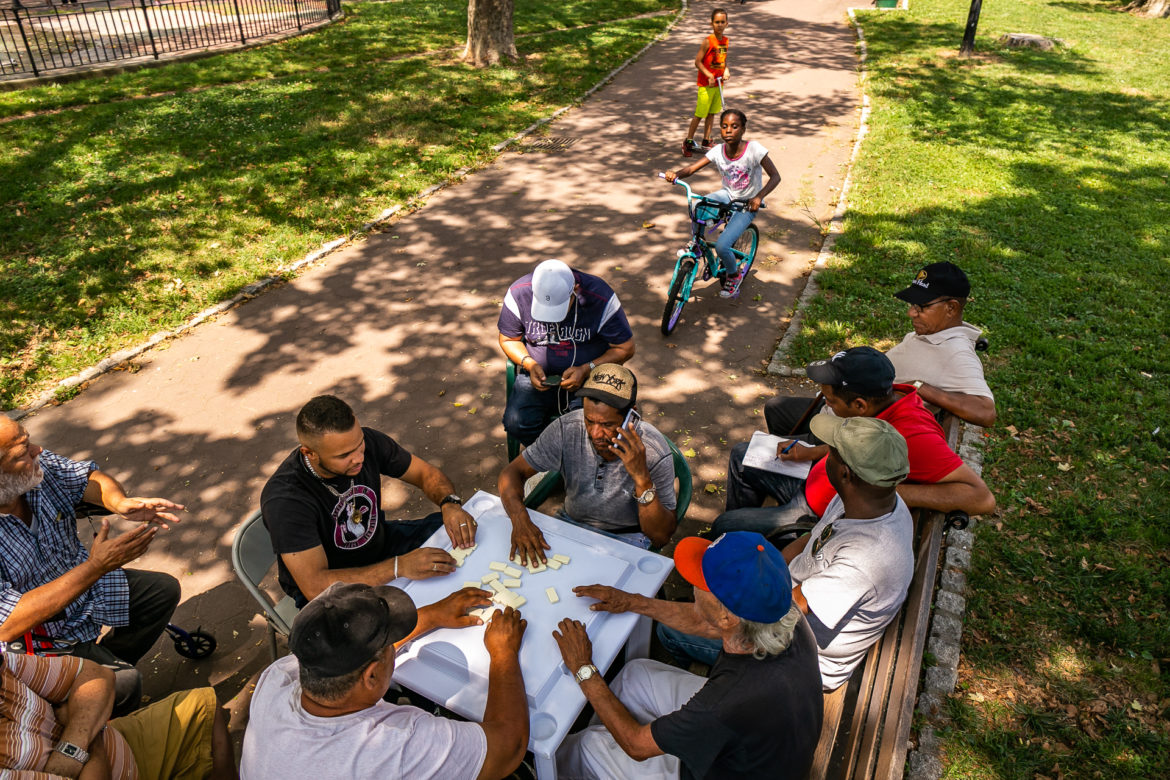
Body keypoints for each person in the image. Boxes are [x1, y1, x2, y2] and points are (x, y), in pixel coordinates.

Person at [660, 416, 916, 691]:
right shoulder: (867, 500)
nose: (824, 455)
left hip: (800, 655)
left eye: (832, 452)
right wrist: (764, 570)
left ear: (845, 473)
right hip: (787, 605)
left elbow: (787, 614)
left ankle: (719, 693)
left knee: (670, 630)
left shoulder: (865, 560)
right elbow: (811, 539)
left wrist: (726, 604)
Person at [553, 531, 822, 779]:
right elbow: (704, 621)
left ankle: (555, 768)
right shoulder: (774, 608)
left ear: (726, 617)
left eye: (701, 581)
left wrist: (583, 668)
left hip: (720, 771)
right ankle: (608, 744)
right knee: (635, 675)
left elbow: (636, 745)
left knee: (588, 747)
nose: (691, 583)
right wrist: (633, 601)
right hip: (765, 745)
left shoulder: (727, 701)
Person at [240, 582, 529, 780]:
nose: (394, 646)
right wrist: (503, 653)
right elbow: (510, 747)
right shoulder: (394, 746)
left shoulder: (276, 680)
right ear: (372, 675)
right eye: (390, 644)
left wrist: (431, 615)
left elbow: (353, 655)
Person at [0, 416, 184, 716]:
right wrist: (96, 567)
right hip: (39, 637)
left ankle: (103, 665)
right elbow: (7, 625)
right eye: (22, 453)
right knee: (123, 685)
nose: (37, 450)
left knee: (161, 592)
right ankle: (93, 718)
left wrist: (119, 502)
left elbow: (86, 478)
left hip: (86, 589)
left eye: (27, 440)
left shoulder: (36, 468)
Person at [718, 346, 995, 535]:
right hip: (817, 478)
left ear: (860, 405)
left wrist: (881, 495)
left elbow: (981, 499)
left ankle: (746, 542)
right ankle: (748, 544)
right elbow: (856, 441)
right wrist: (812, 452)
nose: (826, 405)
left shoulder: (913, 435)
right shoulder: (888, 399)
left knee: (725, 526)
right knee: (743, 455)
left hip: (820, 511)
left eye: (830, 400)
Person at [261, 395, 478, 607]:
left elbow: (425, 474)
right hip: (331, 588)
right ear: (309, 453)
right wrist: (397, 567)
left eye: (359, 445)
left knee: (465, 532)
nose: (359, 458)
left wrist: (450, 503)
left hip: (381, 545)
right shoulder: (286, 501)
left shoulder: (367, 442)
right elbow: (315, 586)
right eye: (344, 455)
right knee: (403, 625)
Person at [765, 262, 995, 436]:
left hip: (851, 432)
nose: (911, 313)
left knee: (751, 457)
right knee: (776, 408)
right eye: (912, 305)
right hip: (841, 410)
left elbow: (985, 412)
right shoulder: (933, 332)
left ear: (951, 308)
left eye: (921, 307)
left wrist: (919, 387)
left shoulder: (957, 353)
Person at [498, 364, 677, 562]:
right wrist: (519, 519)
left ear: (631, 416)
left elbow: (660, 537)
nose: (595, 434)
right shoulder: (567, 428)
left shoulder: (654, 451)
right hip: (570, 524)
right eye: (589, 420)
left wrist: (642, 478)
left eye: (607, 424)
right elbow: (511, 473)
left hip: (628, 538)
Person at [0, 647, 235, 779]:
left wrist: (73, 746)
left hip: (119, 745)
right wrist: (94, 738)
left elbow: (97, 675)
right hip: (101, 749)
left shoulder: (3, 666)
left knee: (203, 710)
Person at [498, 259, 635, 447]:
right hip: (538, 375)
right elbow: (507, 339)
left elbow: (625, 348)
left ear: (576, 290)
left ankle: (572, 460)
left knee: (585, 429)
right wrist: (529, 364)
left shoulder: (600, 297)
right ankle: (551, 460)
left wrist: (587, 369)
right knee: (517, 423)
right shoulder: (518, 293)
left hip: (590, 377)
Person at [665, 109, 780, 298]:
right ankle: (696, 243)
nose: (729, 131)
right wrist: (676, 174)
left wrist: (758, 197)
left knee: (722, 246)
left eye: (734, 127)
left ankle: (733, 276)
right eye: (725, 126)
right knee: (697, 206)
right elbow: (692, 168)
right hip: (727, 195)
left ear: (743, 129)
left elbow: (775, 176)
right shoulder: (718, 150)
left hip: (746, 203)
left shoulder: (754, 149)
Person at [681, 8, 730, 156]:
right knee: (700, 114)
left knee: (712, 113)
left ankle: (706, 140)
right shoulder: (708, 41)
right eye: (717, 22)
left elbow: (723, 60)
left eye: (722, 22)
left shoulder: (726, 41)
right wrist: (709, 75)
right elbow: (697, 62)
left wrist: (726, 69)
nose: (719, 25)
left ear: (727, 23)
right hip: (706, 85)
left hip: (718, 84)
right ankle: (688, 142)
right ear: (711, 23)